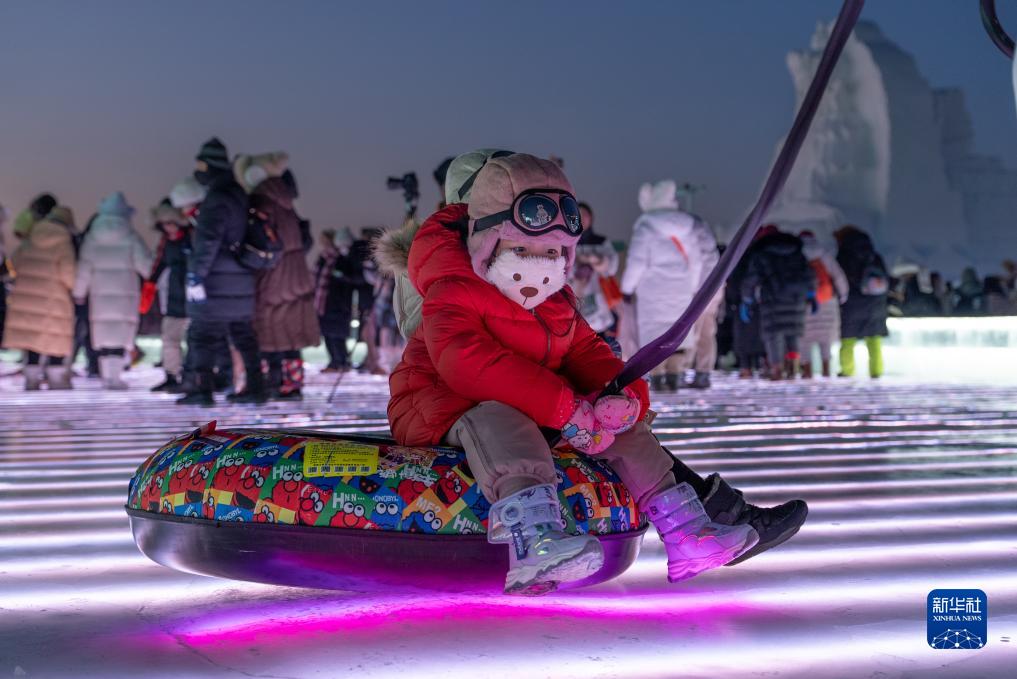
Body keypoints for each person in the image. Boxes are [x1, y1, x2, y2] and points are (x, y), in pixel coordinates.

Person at [388, 153, 775, 595]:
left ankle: (686, 530)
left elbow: (586, 349)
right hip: (443, 403)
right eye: (523, 251)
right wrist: (562, 406)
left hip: (537, 404)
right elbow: (465, 362)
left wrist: (620, 398)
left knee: (622, 432)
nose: (539, 268)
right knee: (501, 419)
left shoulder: (554, 300)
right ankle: (534, 540)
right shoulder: (453, 286)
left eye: (553, 253)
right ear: (489, 244)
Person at [177, 137, 263, 406]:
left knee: (202, 336)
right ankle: (256, 387)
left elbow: (208, 241)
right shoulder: (238, 193)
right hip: (239, 278)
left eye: (200, 166)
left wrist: (196, 276)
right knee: (243, 335)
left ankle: (201, 390)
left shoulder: (217, 197)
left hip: (215, 280)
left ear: (209, 166)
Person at [236, 153, 319, 400]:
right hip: (295, 274)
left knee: (267, 331)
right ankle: (292, 384)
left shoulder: (260, 202)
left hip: (272, 275)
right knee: (290, 333)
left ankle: (270, 382)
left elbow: (259, 240)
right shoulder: (287, 203)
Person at [620, 180, 708, 392]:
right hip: (682, 289)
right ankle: (675, 374)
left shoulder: (646, 227)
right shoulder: (686, 227)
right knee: (677, 332)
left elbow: (637, 262)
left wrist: (627, 288)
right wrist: (692, 286)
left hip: (652, 291)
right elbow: (696, 262)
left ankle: (658, 377)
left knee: (654, 336)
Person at [72, 192, 152, 390]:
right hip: (125, 294)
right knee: (119, 336)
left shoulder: (92, 238)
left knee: (103, 336)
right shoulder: (132, 236)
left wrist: (79, 292)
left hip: (99, 296)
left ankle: (107, 377)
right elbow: (146, 267)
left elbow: (83, 269)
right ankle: (115, 378)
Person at [2, 207, 77, 389]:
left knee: (31, 340)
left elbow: (14, 265)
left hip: (27, 297)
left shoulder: (30, 238)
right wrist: (73, 288)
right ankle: (56, 379)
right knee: (56, 339)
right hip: (55, 298)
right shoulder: (64, 242)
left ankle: (31, 378)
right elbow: (68, 274)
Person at [739, 227, 815, 380]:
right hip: (796, 298)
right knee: (793, 333)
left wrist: (747, 298)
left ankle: (777, 369)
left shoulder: (761, 254)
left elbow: (752, 278)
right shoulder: (796, 252)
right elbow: (809, 274)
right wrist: (811, 294)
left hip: (772, 299)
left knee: (773, 335)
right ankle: (793, 367)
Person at [144, 193, 195, 392]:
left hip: (193, 295)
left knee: (193, 339)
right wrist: (150, 284)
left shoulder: (193, 236)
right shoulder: (166, 241)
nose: (168, 228)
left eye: (171, 223)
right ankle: (171, 375)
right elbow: (159, 263)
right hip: (174, 296)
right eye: (164, 224)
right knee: (169, 339)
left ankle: (192, 376)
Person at [834, 225, 889, 379]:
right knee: (874, 338)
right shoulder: (874, 256)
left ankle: (847, 370)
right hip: (875, 302)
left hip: (852, 303)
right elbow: (885, 278)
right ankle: (876, 371)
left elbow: (840, 279)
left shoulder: (844, 256)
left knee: (847, 338)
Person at [569, 202, 621, 354]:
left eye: (585, 215)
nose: (582, 218)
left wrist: (597, 261)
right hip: (573, 298)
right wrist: (577, 271)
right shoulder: (565, 242)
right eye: (578, 215)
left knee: (602, 346)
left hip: (599, 299)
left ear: (591, 218)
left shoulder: (601, 242)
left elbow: (612, 267)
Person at [799, 231, 848, 377]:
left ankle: (807, 371)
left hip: (804, 301)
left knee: (804, 338)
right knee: (825, 338)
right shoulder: (824, 255)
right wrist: (843, 294)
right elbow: (838, 276)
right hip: (827, 300)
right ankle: (826, 370)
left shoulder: (797, 255)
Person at [314, 228, 358, 372]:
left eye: (324, 241)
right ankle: (335, 362)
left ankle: (340, 362)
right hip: (323, 303)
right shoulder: (323, 259)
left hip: (337, 303)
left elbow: (349, 280)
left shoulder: (341, 259)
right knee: (328, 333)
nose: (321, 244)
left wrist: (339, 276)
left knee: (337, 334)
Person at [687, 218, 721, 388]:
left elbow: (693, 269)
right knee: (707, 332)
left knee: (691, 332)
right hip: (714, 290)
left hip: (697, 292)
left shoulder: (692, 245)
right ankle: (704, 373)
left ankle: (681, 371)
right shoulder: (712, 250)